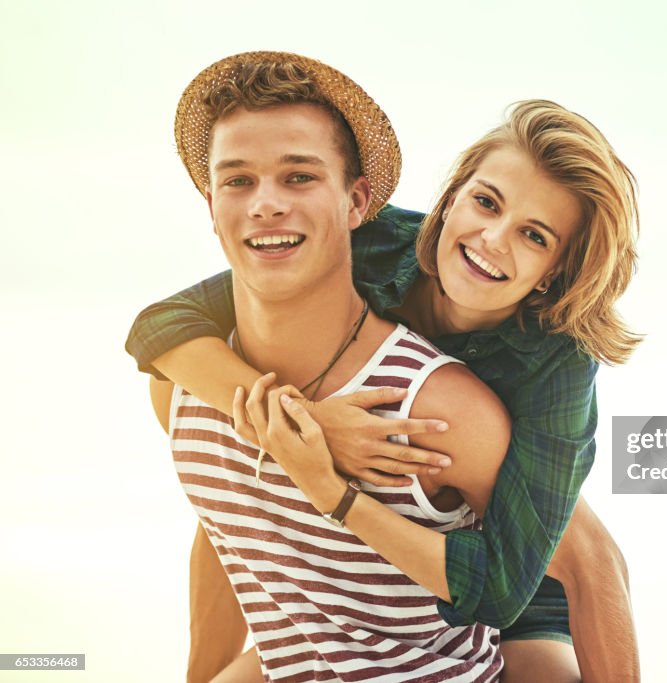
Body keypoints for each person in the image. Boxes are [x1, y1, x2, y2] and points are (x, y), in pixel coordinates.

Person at [130, 53, 641, 682]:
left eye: (535, 236)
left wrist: (332, 488)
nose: (493, 239)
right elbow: (162, 327)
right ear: (450, 200)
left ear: (557, 270)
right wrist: (306, 424)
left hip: (504, 570)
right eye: (485, 202)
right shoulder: (368, 242)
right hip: (368, 590)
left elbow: (580, 565)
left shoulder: (555, 364)